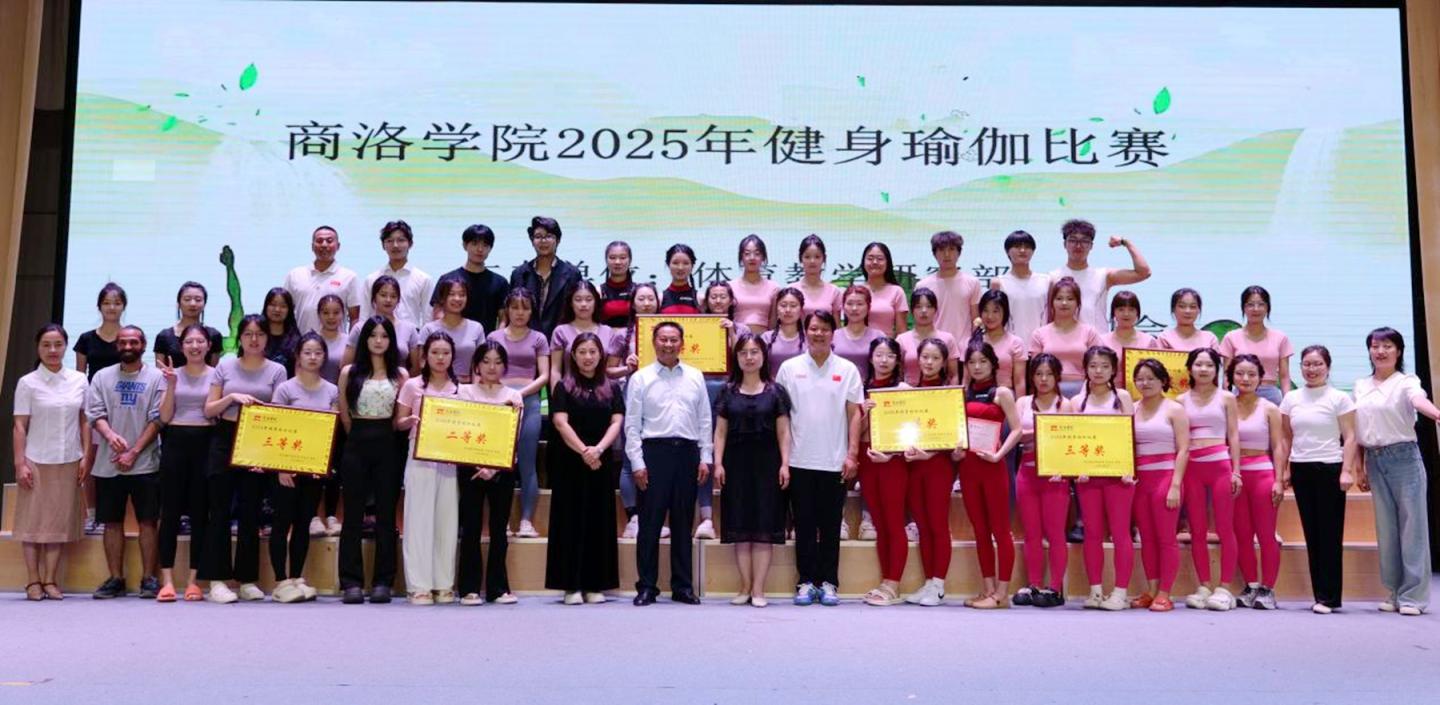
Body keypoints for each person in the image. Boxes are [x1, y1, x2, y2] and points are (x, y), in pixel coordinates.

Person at [776, 312, 862, 607]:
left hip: (834, 461)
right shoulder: (789, 369)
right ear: (806, 331)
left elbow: (854, 414)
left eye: (825, 329)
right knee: (803, 524)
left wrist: (852, 454)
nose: (819, 333)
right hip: (799, 460)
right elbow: (781, 418)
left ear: (832, 333)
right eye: (813, 328)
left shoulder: (847, 370)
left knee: (830, 526)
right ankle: (805, 581)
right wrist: (784, 460)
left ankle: (828, 582)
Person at [200, 315, 288, 603]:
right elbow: (209, 409)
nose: (254, 339)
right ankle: (217, 580)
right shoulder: (225, 365)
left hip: (258, 441)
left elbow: (279, 413)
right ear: (239, 337)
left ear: (267, 338)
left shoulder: (277, 370)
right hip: (225, 438)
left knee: (251, 512)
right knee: (219, 511)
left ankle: (247, 579)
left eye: (259, 334)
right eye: (248, 334)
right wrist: (231, 398)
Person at [625, 321, 712, 606]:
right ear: (654, 342)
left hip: (687, 453)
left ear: (682, 344)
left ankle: (682, 586)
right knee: (649, 524)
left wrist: (705, 457)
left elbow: (704, 420)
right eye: (663, 339)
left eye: (674, 340)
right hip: (654, 454)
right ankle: (646, 586)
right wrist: (637, 462)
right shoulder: (641, 378)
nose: (668, 344)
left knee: (683, 522)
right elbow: (632, 425)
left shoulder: (695, 376)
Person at [1353, 327, 1435, 616]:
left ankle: (1413, 597)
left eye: (1387, 346)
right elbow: (1358, 428)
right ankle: (1393, 591)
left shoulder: (1407, 381)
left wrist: (1436, 413)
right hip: (1374, 460)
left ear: (1398, 351)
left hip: (1404, 458)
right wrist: (1359, 467)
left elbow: (1418, 401)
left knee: (1412, 528)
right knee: (1386, 529)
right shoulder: (1361, 385)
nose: (1380, 351)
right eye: (1375, 346)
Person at [85, 326, 165, 599]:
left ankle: (149, 579)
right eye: (123, 342)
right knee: (111, 522)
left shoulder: (157, 377)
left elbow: (158, 418)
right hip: (109, 463)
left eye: (134, 342)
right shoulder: (101, 377)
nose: (128, 346)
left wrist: (134, 452)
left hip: (146, 463)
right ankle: (115, 578)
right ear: (116, 346)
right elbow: (95, 413)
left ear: (143, 345)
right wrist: (110, 436)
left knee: (148, 522)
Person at [545, 334, 624, 604]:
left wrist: (598, 450)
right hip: (570, 462)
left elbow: (617, 422)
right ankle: (571, 586)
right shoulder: (563, 387)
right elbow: (560, 423)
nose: (588, 357)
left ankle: (595, 585)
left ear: (601, 355)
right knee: (570, 522)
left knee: (598, 521)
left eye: (592, 351)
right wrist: (584, 451)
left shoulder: (612, 388)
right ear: (573, 356)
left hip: (601, 461)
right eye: (582, 352)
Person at [713, 333, 791, 607]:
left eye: (754, 352)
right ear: (736, 357)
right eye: (743, 352)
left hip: (768, 466)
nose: (749, 357)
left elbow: (784, 432)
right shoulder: (727, 391)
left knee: (763, 529)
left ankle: (759, 590)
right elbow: (720, 432)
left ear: (763, 356)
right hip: (735, 466)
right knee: (741, 529)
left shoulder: (776, 392)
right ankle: (745, 586)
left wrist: (785, 464)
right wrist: (718, 463)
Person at [13, 324, 89, 601]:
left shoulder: (79, 380)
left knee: (58, 524)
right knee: (32, 523)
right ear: (38, 348)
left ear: (66, 346)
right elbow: (19, 425)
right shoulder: (28, 382)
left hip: (68, 458)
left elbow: (84, 421)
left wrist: (86, 456)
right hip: (35, 459)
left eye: (58, 344)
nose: (52, 350)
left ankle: (50, 580)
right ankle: (33, 581)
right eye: (46, 345)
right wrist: (20, 463)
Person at [1279, 345, 1357, 614]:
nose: (1311, 369)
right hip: (1301, 469)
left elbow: (1350, 437)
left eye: (1317, 364)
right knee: (1312, 533)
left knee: (1330, 534)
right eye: (1307, 364)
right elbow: (1286, 437)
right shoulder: (1291, 398)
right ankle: (1320, 595)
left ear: (1328, 367)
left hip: (1330, 468)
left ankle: (1330, 597)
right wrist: (1285, 469)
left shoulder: (1339, 398)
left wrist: (1347, 470)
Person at [336, 316, 408, 604]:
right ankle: (351, 582)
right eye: (373, 335)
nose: (378, 341)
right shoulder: (348, 372)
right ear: (364, 339)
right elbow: (344, 415)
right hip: (355, 444)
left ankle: (383, 581)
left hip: (388, 445)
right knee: (352, 515)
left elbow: (399, 418)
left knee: (386, 516)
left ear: (391, 341)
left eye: (384, 336)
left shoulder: (400, 375)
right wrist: (358, 437)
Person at [449, 341, 524, 606]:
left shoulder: (514, 396)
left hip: (502, 470)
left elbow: (513, 437)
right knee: (470, 527)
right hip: (470, 469)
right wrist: (478, 465)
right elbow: (461, 430)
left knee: (499, 529)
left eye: (498, 362)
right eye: (486, 361)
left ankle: (497, 588)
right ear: (477, 365)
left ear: (505, 366)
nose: (492, 367)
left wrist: (493, 468)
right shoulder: (464, 392)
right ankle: (468, 588)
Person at [268, 333, 339, 603]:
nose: (312, 357)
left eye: (318, 353)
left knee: (303, 523)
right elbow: (276, 428)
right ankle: (280, 581)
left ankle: (297, 577)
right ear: (298, 356)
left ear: (324, 357)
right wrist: (281, 468)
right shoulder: (285, 389)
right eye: (307, 352)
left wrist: (322, 464)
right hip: (287, 469)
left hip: (314, 469)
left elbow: (331, 431)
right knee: (282, 522)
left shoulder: (331, 390)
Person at [395, 332, 462, 605]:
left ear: (453, 356)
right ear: (425, 356)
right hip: (420, 456)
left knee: (447, 519)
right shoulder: (412, 386)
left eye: (446, 353)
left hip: (449, 457)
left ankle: (443, 584)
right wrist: (410, 420)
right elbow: (398, 422)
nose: (440, 358)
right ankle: (419, 586)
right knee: (418, 519)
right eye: (435, 352)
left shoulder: (461, 389)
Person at [1068, 346, 1136, 610]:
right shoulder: (1077, 402)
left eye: (1105, 366)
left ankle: (1120, 593)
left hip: (1119, 477)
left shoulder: (1122, 397)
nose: (1098, 371)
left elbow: (1130, 436)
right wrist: (1077, 469)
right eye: (1093, 366)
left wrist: (1129, 469)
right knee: (1092, 534)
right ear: (1085, 369)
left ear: (1113, 370)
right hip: (1088, 478)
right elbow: (1074, 441)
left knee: (1120, 533)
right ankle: (1095, 591)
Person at [957, 341, 1022, 609]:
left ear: (993, 364)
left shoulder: (1002, 393)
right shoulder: (962, 394)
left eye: (982, 361)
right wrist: (956, 451)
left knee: (1000, 530)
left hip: (993, 467)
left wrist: (999, 455)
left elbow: (1017, 429)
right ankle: (988, 590)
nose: (977, 367)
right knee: (980, 531)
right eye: (972, 362)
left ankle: (1002, 594)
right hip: (968, 469)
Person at [898, 338, 963, 606]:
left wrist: (931, 453)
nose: (929, 362)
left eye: (935, 358)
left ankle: (938, 584)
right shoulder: (909, 393)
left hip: (939, 466)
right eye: (925, 357)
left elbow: (954, 434)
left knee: (937, 524)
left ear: (944, 362)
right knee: (922, 526)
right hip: (914, 465)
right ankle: (928, 582)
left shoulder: (950, 394)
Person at [1178, 347, 1242, 611]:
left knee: (1225, 528)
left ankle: (1224, 587)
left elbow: (1234, 435)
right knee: (1197, 530)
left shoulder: (1227, 398)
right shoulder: (1180, 401)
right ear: (1190, 368)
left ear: (1217, 370)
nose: (1203, 369)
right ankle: (1204, 586)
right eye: (1198, 364)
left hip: (1220, 467)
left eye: (1209, 365)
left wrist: (1236, 471)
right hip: (1192, 469)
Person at [155, 325, 215, 603]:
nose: (195, 346)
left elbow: (213, 414)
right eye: (189, 342)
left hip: (206, 444)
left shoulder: (218, 375)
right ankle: (166, 581)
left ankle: (194, 582)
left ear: (208, 346)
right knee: (169, 513)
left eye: (200, 341)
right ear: (181, 347)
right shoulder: (170, 375)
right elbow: (165, 417)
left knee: (201, 514)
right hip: (175, 444)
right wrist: (171, 385)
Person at [487, 288, 550, 542]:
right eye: (515, 307)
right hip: (497, 402)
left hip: (529, 402)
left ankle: (526, 520)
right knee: (496, 462)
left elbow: (544, 375)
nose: (520, 313)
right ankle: (499, 520)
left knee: (527, 463)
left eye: (525, 308)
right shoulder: (493, 336)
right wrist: (504, 394)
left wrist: (519, 394)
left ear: (532, 311)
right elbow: (486, 369)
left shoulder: (539, 338)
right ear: (507, 310)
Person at [1129, 359, 1190, 612]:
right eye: (1140, 379)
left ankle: (1166, 592)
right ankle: (1152, 589)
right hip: (1140, 482)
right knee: (1147, 538)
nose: (1145, 383)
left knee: (1166, 538)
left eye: (1151, 378)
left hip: (1166, 478)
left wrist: (1175, 485)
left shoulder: (1174, 409)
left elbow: (1184, 449)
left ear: (1163, 380)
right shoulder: (1131, 409)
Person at [1013, 353, 1072, 608]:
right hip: (1027, 473)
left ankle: (1055, 588)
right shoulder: (1023, 402)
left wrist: (1031, 433)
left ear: (1057, 377)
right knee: (1032, 533)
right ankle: (1034, 584)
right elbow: (1016, 435)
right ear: (1031, 377)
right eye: (1038, 374)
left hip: (1055, 474)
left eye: (1049, 374)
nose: (1044, 379)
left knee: (1056, 532)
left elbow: (1068, 440)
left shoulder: (1065, 405)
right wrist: (1039, 432)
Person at [1229, 353, 1286, 610]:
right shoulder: (1226, 405)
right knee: (1242, 534)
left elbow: (1278, 446)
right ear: (1231, 377)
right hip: (1235, 476)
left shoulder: (1270, 408)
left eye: (1252, 374)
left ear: (1261, 378)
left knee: (1265, 534)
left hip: (1263, 474)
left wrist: (1279, 480)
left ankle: (1268, 589)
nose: (1246, 378)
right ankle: (1251, 585)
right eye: (1240, 373)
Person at [859, 337, 908, 606]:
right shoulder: (862, 389)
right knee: (879, 523)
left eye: (890, 355)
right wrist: (865, 415)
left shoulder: (903, 389)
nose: (884, 360)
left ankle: (893, 583)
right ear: (871, 358)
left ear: (897, 360)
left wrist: (892, 454)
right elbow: (856, 433)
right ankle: (885, 581)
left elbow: (912, 431)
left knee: (894, 522)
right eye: (879, 355)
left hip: (893, 460)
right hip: (867, 458)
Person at [616, 283, 665, 539]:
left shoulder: (672, 331)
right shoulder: (622, 335)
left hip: (664, 399)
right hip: (632, 396)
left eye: (650, 299)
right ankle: (633, 517)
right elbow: (608, 370)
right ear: (633, 303)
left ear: (658, 302)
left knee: (656, 459)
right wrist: (626, 367)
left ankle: (654, 517)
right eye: (641, 299)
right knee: (629, 458)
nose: (646, 303)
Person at [1049, 219, 1150, 333]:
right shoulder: (1053, 277)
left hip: (1097, 340)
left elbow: (1143, 273)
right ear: (1065, 244)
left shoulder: (1103, 276)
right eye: (1073, 240)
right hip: (1062, 338)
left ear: (1091, 246)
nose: (1078, 245)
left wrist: (1126, 242)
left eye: (1084, 241)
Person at [1028, 276, 1101, 398]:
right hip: (1047, 391)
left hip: (1084, 391)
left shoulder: (1090, 332)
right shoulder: (1039, 334)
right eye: (1059, 298)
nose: (1064, 303)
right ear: (1051, 302)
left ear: (1078, 303)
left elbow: (1098, 365)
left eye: (1070, 299)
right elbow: (1035, 371)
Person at [1219, 286, 1293, 405]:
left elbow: (1284, 377)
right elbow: (1227, 376)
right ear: (1243, 308)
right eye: (1250, 304)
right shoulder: (1231, 337)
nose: (1256, 309)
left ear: (1267, 308)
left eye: (1261, 304)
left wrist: (1287, 404)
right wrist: (1226, 402)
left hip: (1271, 396)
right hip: (1240, 394)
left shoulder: (1280, 338)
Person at [510, 215, 582, 337]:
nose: (543, 241)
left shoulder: (572, 274)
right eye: (538, 237)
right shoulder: (519, 274)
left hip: (561, 340)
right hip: (525, 340)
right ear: (532, 241)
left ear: (558, 240)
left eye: (549, 236)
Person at [283, 225, 363, 335]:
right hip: (301, 342)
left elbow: (355, 318)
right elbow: (285, 313)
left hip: (336, 344)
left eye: (329, 241)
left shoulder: (349, 277)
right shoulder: (295, 275)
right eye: (319, 241)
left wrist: (352, 343)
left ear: (338, 246)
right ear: (312, 246)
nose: (324, 245)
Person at [434, 224, 510, 334]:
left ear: (490, 248)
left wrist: (496, 339)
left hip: (487, 342)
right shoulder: (447, 279)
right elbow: (438, 313)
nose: (480, 249)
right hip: (451, 341)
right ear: (465, 245)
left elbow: (504, 319)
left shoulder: (500, 282)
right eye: (474, 244)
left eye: (485, 245)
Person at [358, 220, 435, 327]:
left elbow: (428, 319)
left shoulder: (424, 279)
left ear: (410, 244)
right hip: (378, 335)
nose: (395, 245)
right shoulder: (372, 279)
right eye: (390, 241)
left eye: (401, 240)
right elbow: (364, 317)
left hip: (411, 336)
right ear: (383, 245)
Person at [550, 280, 622, 389]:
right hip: (570, 392)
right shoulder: (560, 331)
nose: (583, 304)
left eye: (589, 300)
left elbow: (611, 370)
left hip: (602, 393)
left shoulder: (608, 332)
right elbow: (556, 370)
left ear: (596, 302)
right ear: (571, 303)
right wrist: (557, 395)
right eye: (578, 300)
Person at [916, 231, 983, 343]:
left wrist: (974, 345)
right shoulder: (923, 285)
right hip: (933, 348)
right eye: (942, 250)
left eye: (951, 249)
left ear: (959, 253)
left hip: (964, 347)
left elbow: (976, 320)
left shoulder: (972, 282)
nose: (947, 254)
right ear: (934, 253)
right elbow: (919, 322)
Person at [344, 275, 419, 373]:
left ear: (398, 300)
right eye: (383, 295)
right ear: (374, 298)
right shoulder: (359, 328)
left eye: (393, 296)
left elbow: (416, 368)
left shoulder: (409, 329)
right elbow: (346, 365)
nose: (388, 300)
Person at [419, 275, 486, 383]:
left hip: (467, 387)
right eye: (451, 294)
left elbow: (479, 364)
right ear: (442, 298)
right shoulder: (429, 329)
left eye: (462, 295)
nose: (457, 298)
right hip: (436, 387)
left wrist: (473, 389)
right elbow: (422, 363)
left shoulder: (476, 328)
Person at [991, 230, 1051, 345]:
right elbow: (995, 317)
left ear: (1033, 251)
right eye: (1017, 246)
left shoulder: (1046, 281)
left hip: (1041, 346)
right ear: (1007, 251)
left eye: (1027, 247)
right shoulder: (998, 283)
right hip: (1009, 347)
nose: (1022, 250)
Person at [153, 281, 225, 368]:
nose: (192, 304)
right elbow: (160, 371)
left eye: (198, 300)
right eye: (187, 299)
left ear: (204, 304)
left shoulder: (214, 335)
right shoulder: (164, 336)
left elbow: (213, 371)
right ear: (178, 304)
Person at [896, 288, 960, 385]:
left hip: (940, 392)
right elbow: (898, 375)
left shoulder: (948, 339)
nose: (924, 311)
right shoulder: (902, 340)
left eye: (929, 306)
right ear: (912, 310)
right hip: (909, 392)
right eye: (918, 307)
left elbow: (953, 375)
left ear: (935, 310)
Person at [1098, 290, 1157, 390]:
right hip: (1109, 392)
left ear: (1137, 313)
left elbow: (1155, 373)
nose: (1126, 314)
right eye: (1121, 309)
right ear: (1113, 313)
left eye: (1131, 310)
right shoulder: (1102, 341)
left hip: (1142, 393)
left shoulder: (1149, 341)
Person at [975, 290, 1027, 394]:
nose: (990, 316)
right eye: (985, 310)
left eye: (995, 311)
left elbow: (1019, 382)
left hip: (1005, 396)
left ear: (1005, 313)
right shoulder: (973, 341)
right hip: (978, 396)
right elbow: (966, 380)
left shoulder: (1016, 343)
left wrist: (1020, 403)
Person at [74, 282, 126, 380]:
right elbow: (80, 378)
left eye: (117, 303)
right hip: (94, 389)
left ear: (123, 307)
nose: (112, 307)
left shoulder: (130, 338)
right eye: (106, 303)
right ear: (99, 307)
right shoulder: (86, 338)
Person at [730, 234, 779, 334]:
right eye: (747, 254)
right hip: (736, 340)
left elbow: (773, 323)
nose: (752, 258)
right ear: (741, 258)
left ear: (763, 258)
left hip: (764, 340)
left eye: (757, 254)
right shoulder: (730, 287)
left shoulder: (774, 288)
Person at [859, 242, 909, 338]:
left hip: (885, 346)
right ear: (863, 262)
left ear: (888, 263)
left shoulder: (897, 292)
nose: (875, 262)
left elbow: (901, 332)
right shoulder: (856, 292)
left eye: (880, 259)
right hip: (857, 345)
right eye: (870, 258)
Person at [832, 285, 884, 374]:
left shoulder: (878, 336)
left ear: (869, 307)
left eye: (860, 304)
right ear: (843, 307)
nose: (854, 308)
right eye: (849, 304)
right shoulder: (833, 336)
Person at [794, 234, 843, 320]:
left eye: (817, 257)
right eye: (807, 257)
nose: (812, 261)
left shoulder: (834, 291)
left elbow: (836, 325)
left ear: (824, 258)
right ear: (800, 258)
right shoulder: (792, 290)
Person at [762, 287, 807, 377]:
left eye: (793, 306)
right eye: (783, 305)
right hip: (773, 385)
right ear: (777, 309)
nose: (788, 310)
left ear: (801, 310)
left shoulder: (809, 337)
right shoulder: (766, 338)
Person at [261, 287, 301, 376]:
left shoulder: (297, 341)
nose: (277, 309)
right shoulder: (256, 337)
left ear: (289, 310)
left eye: (283, 306)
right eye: (273, 304)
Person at [598, 240, 637, 329]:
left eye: (622, 258)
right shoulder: (598, 292)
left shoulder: (638, 291)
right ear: (606, 260)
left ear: (630, 260)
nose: (617, 262)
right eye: (612, 258)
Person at [315, 295, 349, 384]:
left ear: (343, 314)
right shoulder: (310, 340)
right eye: (326, 313)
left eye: (336, 313)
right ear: (319, 315)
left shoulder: (349, 342)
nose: (331, 317)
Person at [660, 244, 702, 314]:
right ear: (668, 265)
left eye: (686, 263)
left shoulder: (700, 299)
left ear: (692, 266)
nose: (680, 268)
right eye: (675, 263)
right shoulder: (660, 299)